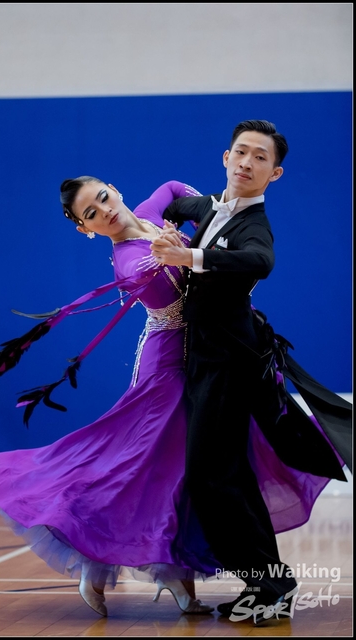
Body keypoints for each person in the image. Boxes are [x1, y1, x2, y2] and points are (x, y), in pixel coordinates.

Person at [0, 177, 349, 624]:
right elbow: (176, 285)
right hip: (170, 367)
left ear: (114, 189)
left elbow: (174, 188)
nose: (105, 211)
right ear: (85, 229)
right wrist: (187, 250)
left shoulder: (148, 213)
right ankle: (96, 556)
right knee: (152, 467)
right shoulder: (129, 260)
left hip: (209, 353)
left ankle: (182, 575)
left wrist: (208, 214)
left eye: (103, 198)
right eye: (91, 214)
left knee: (188, 471)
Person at [149, 119, 352, 625]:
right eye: (241, 152)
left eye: (260, 157)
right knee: (226, 476)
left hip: (230, 363)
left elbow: (259, 260)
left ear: (274, 173)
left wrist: (188, 254)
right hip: (203, 361)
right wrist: (153, 226)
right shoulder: (207, 207)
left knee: (211, 477)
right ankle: (268, 585)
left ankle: (270, 586)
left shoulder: (255, 224)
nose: (247, 162)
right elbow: (170, 196)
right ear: (226, 157)